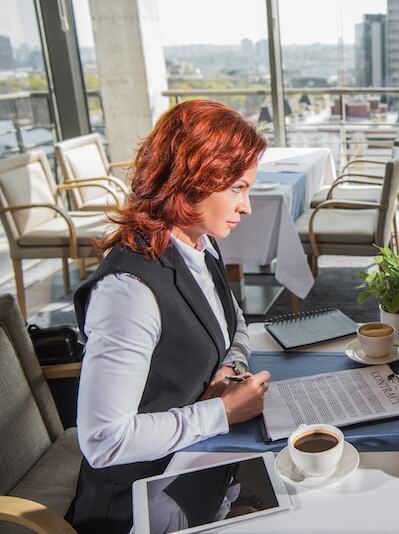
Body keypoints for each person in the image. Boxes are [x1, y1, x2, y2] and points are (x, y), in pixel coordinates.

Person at [68, 100, 271, 533]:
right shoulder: (128, 292)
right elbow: (104, 441)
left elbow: (234, 323)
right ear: (194, 181)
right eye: (237, 187)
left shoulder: (198, 244)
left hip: (196, 467)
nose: (246, 206)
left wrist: (231, 366)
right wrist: (222, 412)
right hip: (141, 499)